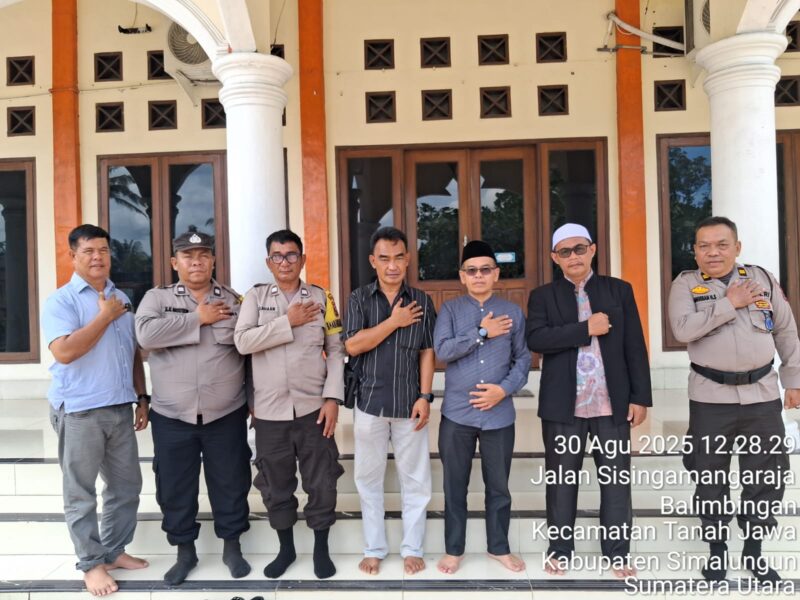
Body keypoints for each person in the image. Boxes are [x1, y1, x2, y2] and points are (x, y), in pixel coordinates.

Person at [668, 215, 800, 583]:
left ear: (737, 247)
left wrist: (794, 380)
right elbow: (681, 329)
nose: (713, 252)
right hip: (711, 397)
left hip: (762, 394)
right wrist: (730, 303)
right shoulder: (685, 284)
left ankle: (754, 551)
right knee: (710, 475)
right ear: (695, 251)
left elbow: (786, 330)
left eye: (721, 245)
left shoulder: (762, 279)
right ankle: (717, 550)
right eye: (704, 246)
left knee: (766, 475)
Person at [526, 223, 651, 579]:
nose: (573, 257)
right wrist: (585, 329)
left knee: (616, 481)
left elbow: (635, 345)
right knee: (561, 481)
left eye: (579, 249)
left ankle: (617, 553)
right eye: (565, 252)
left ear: (592, 250)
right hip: (563, 407)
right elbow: (537, 339)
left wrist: (640, 397)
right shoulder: (543, 296)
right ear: (555, 258)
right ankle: (559, 550)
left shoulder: (618, 290)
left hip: (612, 405)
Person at [134, 231, 251, 585]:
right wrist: (197, 318)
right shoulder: (156, 299)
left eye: (203, 255)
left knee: (231, 481)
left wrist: (254, 399)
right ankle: (185, 552)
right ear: (175, 262)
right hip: (172, 415)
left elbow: (249, 350)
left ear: (213, 260)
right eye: (188, 256)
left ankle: (232, 547)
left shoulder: (234, 300)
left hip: (225, 413)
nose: (196, 261)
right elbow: (145, 336)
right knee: (174, 486)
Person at [42, 224, 150, 596]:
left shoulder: (120, 297)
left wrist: (142, 396)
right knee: (81, 492)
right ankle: (91, 564)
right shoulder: (62, 301)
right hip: (80, 411)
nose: (97, 257)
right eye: (88, 251)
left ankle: (114, 550)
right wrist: (104, 316)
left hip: (119, 407)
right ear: (73, 256)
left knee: (126, 486)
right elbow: (64, 352)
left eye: (103, 250)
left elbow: (131, 352)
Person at [234, 229, 345, 580]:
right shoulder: (254, 298)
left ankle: (321, 548)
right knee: (275, 483)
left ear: (303, 259)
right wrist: (287, 322)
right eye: (278, 256)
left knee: (322, 480)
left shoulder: (322, 297)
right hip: (269, 412)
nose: (285, 262)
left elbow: (336, 349)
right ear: (269, 262)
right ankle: (286, 549)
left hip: (314, 409)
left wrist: (332, 398)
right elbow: (242, 342)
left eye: (292, 255)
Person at [342, 226, 436, 576]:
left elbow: (427, 351)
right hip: (369, 403)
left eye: (398, 258)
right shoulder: (359, 299)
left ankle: (412, 549)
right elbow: (353, 345)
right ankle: (374, 549)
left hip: (410, 403)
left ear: (408, 259)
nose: (392, 265)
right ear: (373, 261)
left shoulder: (422, 301)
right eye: (384, 258)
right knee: (368, 479)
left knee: (416, 481)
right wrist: (394, 322)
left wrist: (425, 396)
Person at [433, 240, 530, 575]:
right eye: (471, 270)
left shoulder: (513, 312)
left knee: (499, 486)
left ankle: (498, 547)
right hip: (457, 414)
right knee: (454, 485)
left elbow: (523, 359)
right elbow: (443, 351)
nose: (478, 275)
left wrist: (503, 390)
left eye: (485, 269)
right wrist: (482, 333)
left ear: (496, 274)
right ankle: (454, 550)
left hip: (499, 415)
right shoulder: (449, 310)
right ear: (462, 276)